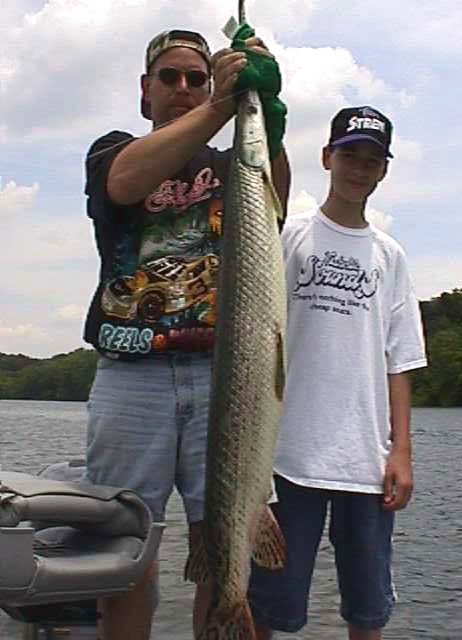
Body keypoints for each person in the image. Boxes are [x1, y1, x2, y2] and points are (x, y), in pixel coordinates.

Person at [82, 28, 290, 640]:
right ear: (145, 93)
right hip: (131, 379)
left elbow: (274, 197)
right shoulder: (114, 151)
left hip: (228, 377)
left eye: (196, 78)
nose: (182, 88)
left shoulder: (232, 169)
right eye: (168, 78)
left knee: (221, 540)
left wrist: (269, 115)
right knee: (125, 552)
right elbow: (124, 185)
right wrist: (222, 105)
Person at [248, 106, 427, 640]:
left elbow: (401, 359)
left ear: (383, 171)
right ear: (327, 157)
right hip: (286, 457)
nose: (359, 168)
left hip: (366, 463)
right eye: (350, 154)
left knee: (367, 608)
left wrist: (401, 451)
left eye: (372, 160)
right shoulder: (289, 236)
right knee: (269, 604)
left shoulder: (389, 256)